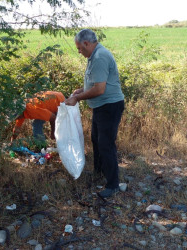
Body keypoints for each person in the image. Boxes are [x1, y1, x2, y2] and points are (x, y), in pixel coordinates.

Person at [65, 29, 125, 198]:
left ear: (86, 43)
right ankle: (99, 172)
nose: (79, 52)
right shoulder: (93, 56)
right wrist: (81, 90)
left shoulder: (99, 57)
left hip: (109, 106)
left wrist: (77, 99)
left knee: (106, 144)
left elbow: (100, 89)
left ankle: (113, 184)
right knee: (96, 140)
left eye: (79, 48)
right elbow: (95, 83)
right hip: (101, 107)